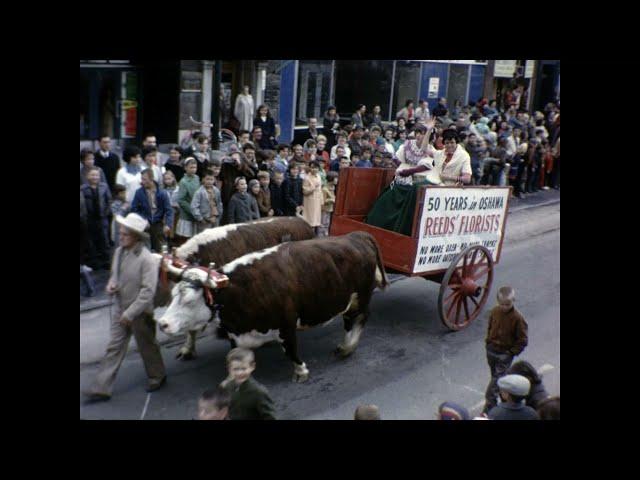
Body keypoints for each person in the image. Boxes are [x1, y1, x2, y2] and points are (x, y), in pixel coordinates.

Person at [83, 213, 166, 403]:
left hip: (140, 312)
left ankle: (157, 376)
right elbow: (115, 275)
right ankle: (101, 388)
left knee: (147, 345)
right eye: (120, 233)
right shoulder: (119, 252)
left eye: (125, 234)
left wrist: (130, 313)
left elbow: (148, 291)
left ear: (136, 236)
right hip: (121, 308)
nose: (120, 237)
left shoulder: (147, 259)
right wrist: (111, 284)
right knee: (114, 347)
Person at [483, 286, 529, 414]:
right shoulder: (495, 311)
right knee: (497, 379)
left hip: (504, 354)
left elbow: (523, 340)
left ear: (513, 300)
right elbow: (490, 326)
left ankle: (489, 409)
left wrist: (510, 353)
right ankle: (505, 403)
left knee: (494, 385)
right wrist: (488, 343)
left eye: (507, 304)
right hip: (492, 350)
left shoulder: (518, 318)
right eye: (502, 304)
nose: (504, 307)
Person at [220, 348, 276, 420]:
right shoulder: (227, 387)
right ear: (229, 369)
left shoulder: (258, 392)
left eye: (243, 368)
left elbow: (270, 417)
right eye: (236, 369)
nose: (239, 373)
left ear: (252, 366)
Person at [131, 168, 173, 252]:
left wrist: (168, 225)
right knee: (144, 251)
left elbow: (169, 210)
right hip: (144, 226)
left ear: (152, 179)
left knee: (161, 250)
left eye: (144, 179)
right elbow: (134, 209)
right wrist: (143, 220)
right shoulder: (139, 192)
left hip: (158, 225)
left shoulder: (162, 193)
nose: (142, 182)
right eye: (142, 179)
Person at [81, 167, 112, 270]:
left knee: (104, 240)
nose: (95, 177)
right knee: (91, 241)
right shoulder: (83, 189)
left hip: (102, 218)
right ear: (87, 176)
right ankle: (95, 263)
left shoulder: (104, 187)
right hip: (89, 219)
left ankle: (106, 261)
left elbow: (109, 200)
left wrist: (106, 212)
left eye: (96, 175)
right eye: (92, 175)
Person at [174, 158, 200, 243]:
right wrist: (192, 210)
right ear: (185, 168)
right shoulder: (183, 182)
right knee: (186, 239)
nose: (193, 170)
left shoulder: (197, 178)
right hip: (187, 214)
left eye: (195, 167)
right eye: (191, 167)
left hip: (197, 212)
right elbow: (181, 200)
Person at [302, 161, 323, 234]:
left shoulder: (319, 176)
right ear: (310, 168)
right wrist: (313, 187)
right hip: (310, 201)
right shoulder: (306, 178)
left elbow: (320, 190)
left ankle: (315, 235)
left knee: (316, 220)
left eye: (316, 168)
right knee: (310, 220)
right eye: (312, 167)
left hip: (317, 201)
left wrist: (321, 201)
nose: (314, 169)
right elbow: (305, 192)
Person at [110, 184, 129, 248]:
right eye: (123, 193)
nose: (125, 195)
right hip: (118, 228)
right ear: (118, 194)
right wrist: (123, 208)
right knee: (119, 245)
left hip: (126, 226)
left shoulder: (126, 202)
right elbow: (117, 216)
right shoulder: (114, 204)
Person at [319, 170, 338, 237]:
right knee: (322, 224)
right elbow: (323, 201)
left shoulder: (333, 187)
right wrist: (331, 200)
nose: (337, 180)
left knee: (327, 223)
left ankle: (325, 235)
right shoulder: (324, 189)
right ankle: (320, 236)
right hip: (324, 209)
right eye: (336, 178)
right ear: (331, 179)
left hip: (330, 208)